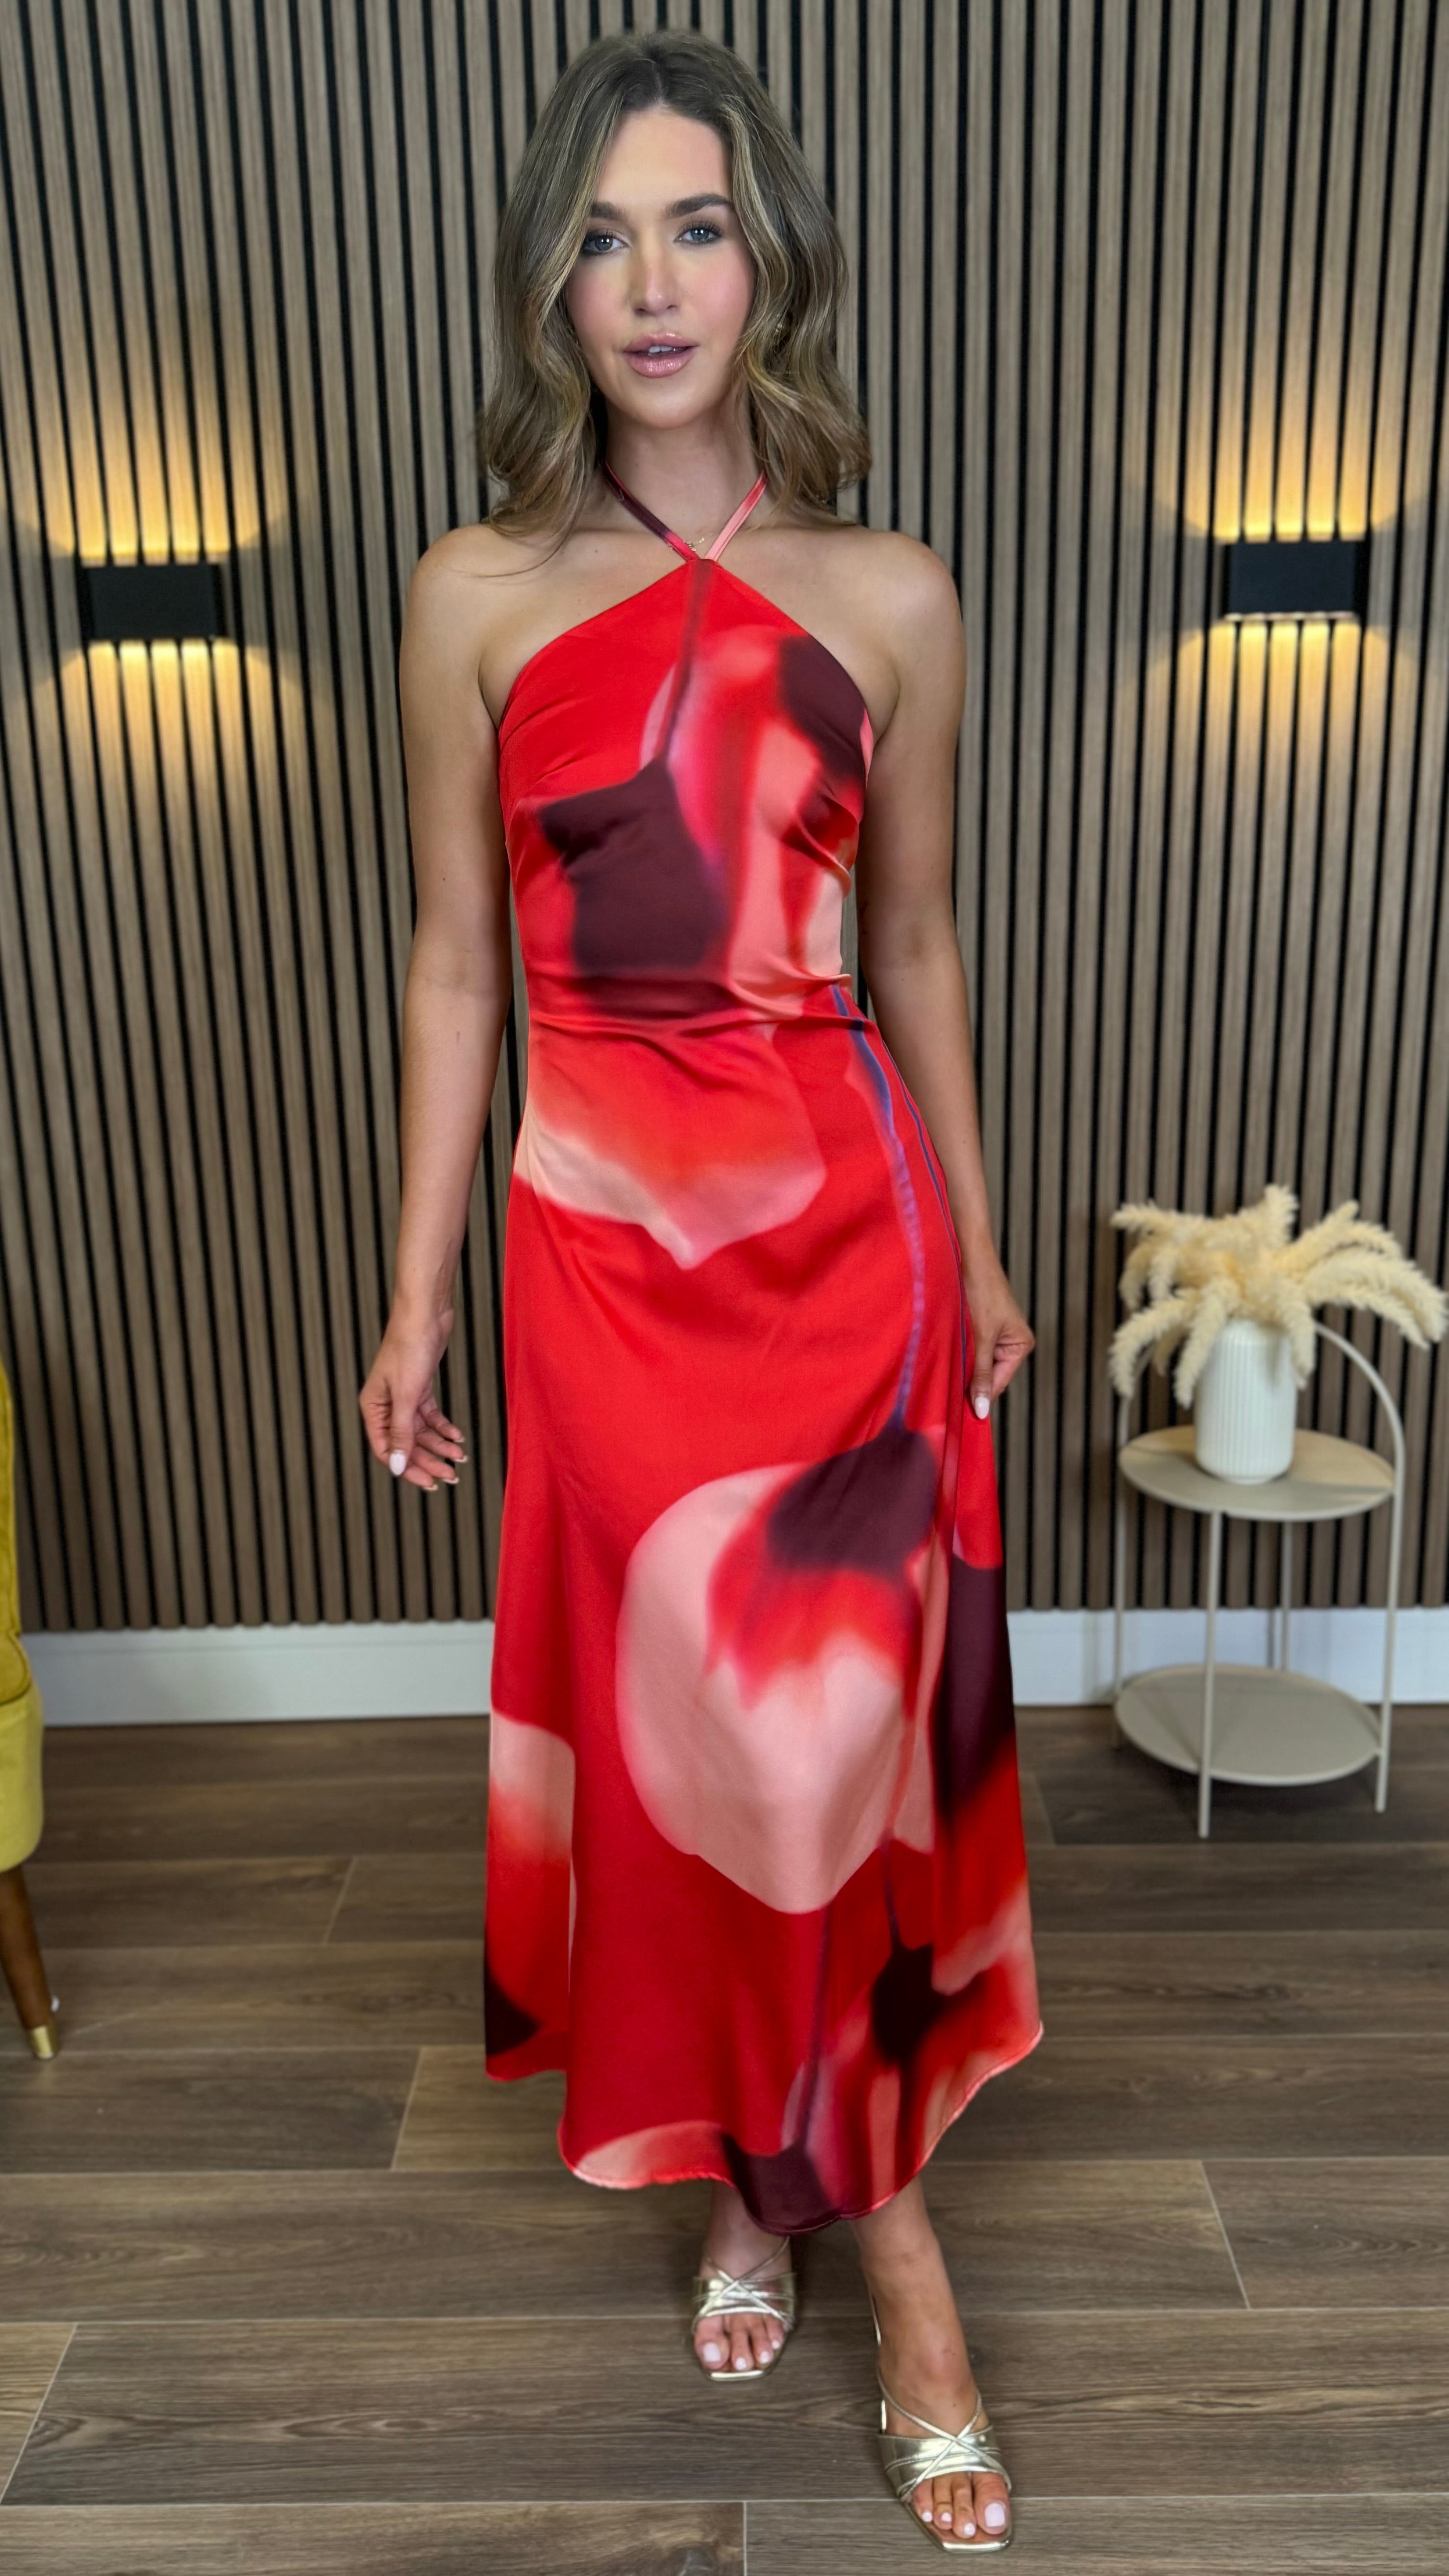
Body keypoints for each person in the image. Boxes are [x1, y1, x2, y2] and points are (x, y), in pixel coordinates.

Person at [359, 29, 1041, 2554]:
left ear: (772, 264)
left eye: (700, 226)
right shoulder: (471, 597)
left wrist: (981, 1233)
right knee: (696, 1768)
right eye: (603, 236)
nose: (653, 285)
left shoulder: (892, 594)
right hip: (600, 1267)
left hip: (848, 1249)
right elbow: (458, 966)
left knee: (829, 1760)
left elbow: (917, 941)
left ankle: (889, 2244)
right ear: (552, 286)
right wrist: (417, 1294)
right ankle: (760, 2177)